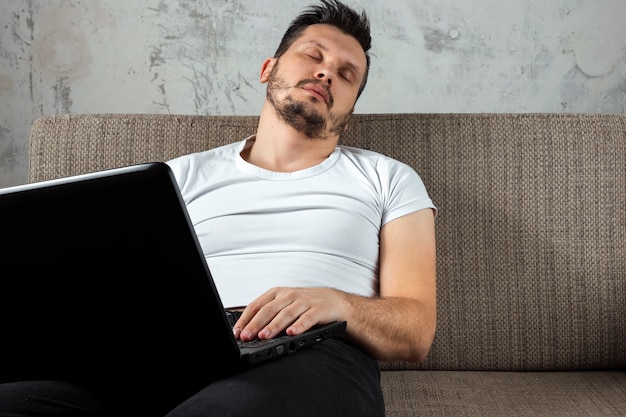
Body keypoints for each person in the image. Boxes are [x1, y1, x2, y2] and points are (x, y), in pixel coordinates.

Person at [0, 1, 436, 416]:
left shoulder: (389, 179)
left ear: (350, 107)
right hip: (165, 352)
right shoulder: (174, 176)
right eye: (312, 55)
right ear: (269, 70)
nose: (326, 72)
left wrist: (339, 305)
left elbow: (416, 330)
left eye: (346, 74)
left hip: (312, 351)